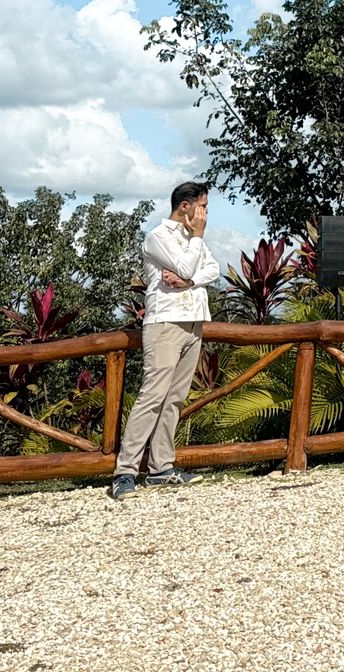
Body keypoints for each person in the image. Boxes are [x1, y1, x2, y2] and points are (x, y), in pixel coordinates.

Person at [107, 181, 220, 500]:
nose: (205, 213)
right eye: (203, 207)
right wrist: (196, 246)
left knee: (174, 398)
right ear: (186, 206)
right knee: (152, 396)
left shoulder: (192, 238)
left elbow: (212, 269)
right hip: (165, 323)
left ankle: (161, 468)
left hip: (194, 323)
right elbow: (185, 264)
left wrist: (189, 281)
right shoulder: (158, 236)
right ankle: (125, 472)